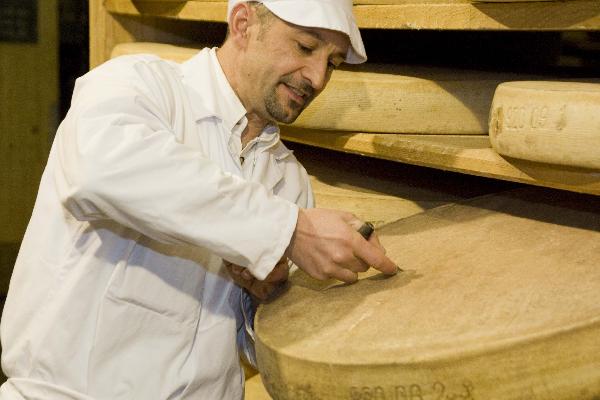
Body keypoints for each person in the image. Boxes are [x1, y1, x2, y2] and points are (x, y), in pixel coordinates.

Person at [0, 0, 398, 398]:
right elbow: (99, 169)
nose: (317, 78)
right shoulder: (138, 86)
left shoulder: (287, 180)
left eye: (332, 63)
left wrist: (269, 294)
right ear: (243, 23)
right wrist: (288, 229)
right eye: (305, 48)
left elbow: (254, 348)